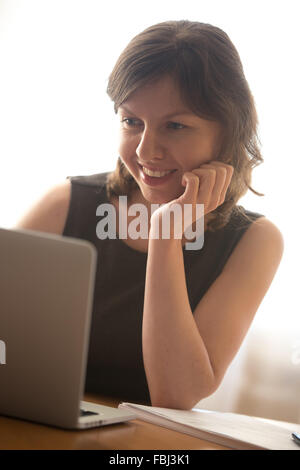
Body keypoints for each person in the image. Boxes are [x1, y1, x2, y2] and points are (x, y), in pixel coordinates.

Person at [16, 20, 284, 410]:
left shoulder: (254, 241)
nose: (145, 152)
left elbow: (175, 395)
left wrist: (165, 235)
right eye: (131, 122)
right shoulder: (65, 205)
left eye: (175, 126)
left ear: (228, 134)